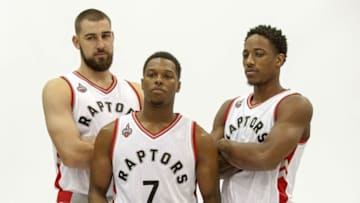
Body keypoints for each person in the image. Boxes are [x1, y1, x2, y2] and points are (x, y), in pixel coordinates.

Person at [88, 51, 220, 203]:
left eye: (167, 76)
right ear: (143, 83)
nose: (158, 80)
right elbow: (96, 192)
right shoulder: (111, 133)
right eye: (152, 74)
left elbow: (211, 198)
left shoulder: (198, 138)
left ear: (178, 86)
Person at [42, 8, 143, 203]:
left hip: (128, 197)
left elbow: (154, 150)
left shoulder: (137, 92)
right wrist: (131, 146)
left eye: (105, 36)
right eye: (91, 38)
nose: (100, 44)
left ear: (113, 37)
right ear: (76, 42)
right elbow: (72, 154)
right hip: (80, 196)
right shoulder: (60, 88)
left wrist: (94, 143)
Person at [211, 25, 313, 203]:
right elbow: (209, 167)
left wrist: (225, 146)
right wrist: (245, 156)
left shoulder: (294, 105)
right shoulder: (229, 107)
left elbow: (266, 158)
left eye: (258, 54)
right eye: (245, 55)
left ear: (279, 60)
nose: (249, 61)